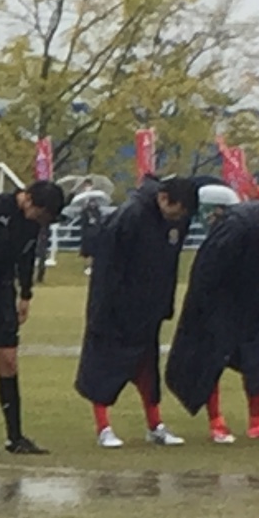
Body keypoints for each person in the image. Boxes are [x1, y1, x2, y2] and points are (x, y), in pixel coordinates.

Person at [72, 174, 203, 446]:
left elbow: (169, 264)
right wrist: (102, 309)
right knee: (103, 367)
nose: (177, 218)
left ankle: (155, 425)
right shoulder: (130, 216)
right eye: (175, 211)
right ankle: (103, 428)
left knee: (147, 369)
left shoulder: (178, 220)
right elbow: (107, 268)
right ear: (164, 198)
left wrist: (164, 304)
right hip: (116, 308)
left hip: (149, 308)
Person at [165, 194, 259, 442]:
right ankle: (216, 422)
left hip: (251, 298)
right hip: (217, 299)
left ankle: (258, 421)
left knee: (255, 355)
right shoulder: (236, 226)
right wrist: (202, 308)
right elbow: (207, 270)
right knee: (213, 357)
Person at [0, 177, 66, 454]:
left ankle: (15, 436)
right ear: (28, 199)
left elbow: (25, 258)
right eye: (40, 214)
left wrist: (26, 293)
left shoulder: (31, 224)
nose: (40, 221)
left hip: (4, 291)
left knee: (8, 361)